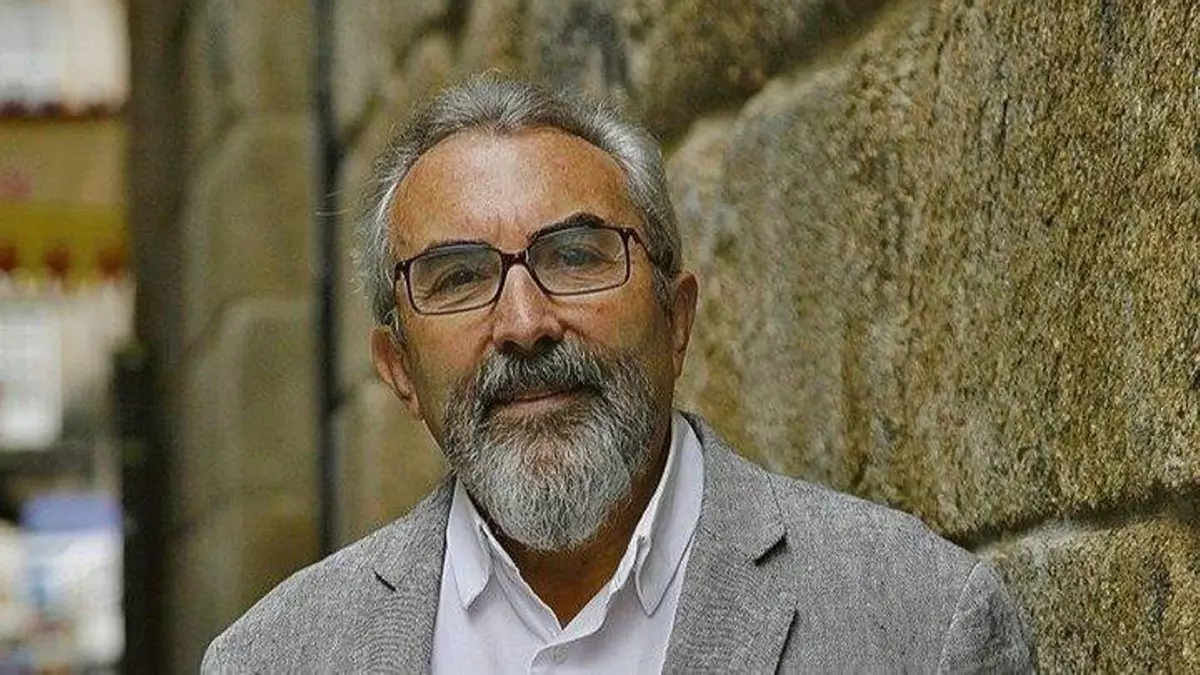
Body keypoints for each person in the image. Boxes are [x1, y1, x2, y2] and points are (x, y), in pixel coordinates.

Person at [202, 74, 1035, 673]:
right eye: (457, 276)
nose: (524, 322)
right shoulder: (275, 656)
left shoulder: (919, 623)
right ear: (399, 371)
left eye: (576, 256)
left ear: (677, 318)